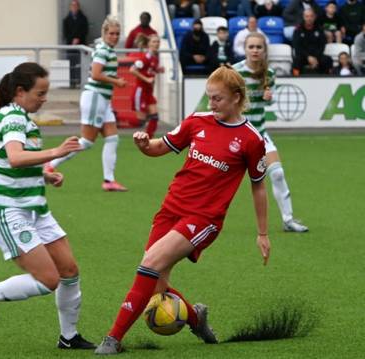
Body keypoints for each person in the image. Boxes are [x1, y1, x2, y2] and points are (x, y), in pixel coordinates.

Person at [94, 65, 271, 355]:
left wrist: (262, 233)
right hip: (171, 209)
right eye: (209, 98)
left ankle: (113, 339)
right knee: (156, 284)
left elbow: (258, 186)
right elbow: (158, 148)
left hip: (203, 219)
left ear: (237, 97)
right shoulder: (196, 122)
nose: (211, 104)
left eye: (218, 99)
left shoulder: (252, 139)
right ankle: (195, 317)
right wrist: (143, 145)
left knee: (149, 263)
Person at [0, 62, 95, 350]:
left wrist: (45, 175)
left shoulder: (21, 116)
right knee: (49, 279)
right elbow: (14, 156)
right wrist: (56, 152)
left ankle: (69, 337)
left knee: (69, 271)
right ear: (20, 92)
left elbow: (11, 164)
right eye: (40, 93)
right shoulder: (12, 115)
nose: (44, 98)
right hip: (9, 212)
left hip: (35, 210)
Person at [233, 32, 309, 232]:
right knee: (218, 178)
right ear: (245, 49)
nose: (255, 50)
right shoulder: (235, 72)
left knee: (277, 174)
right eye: (251, 47)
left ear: (264, 50)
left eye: (259, 47)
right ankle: (200, 217)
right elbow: (225, 101)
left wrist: (269, 98)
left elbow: (270, 100)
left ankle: (288, 220)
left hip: (260, 135)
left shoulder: (269, 73)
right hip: (237, 135)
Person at [46, 16, 128, 192]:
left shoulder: (108, 50)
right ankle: (50, 163)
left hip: (103, 100)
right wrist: (116, 81)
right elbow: (96, 74)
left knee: (113, 138)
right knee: (87, 141)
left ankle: (109, 180)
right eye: (112, 33)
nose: (115, 36)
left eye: (117, 34)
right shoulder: (103, 50)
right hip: (95, 97)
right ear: (105, 33)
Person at [129, 34, 165, 139]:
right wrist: (147, 79)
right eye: (153, 42)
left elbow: (149, 70)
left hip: (148, 92)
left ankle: (148, 138)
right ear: (148, 44)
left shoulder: (155, 58)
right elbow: (132, 69)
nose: (156, 44)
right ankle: (116, 121)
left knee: (154, 116)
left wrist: (158, 70)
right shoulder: (145, 57)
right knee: (140, 121)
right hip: (141, 91)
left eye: (158, 42)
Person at [292, 8, 333, 75]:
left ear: (314, 17)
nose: (309, 18)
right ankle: (295, 79)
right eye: (307, 16)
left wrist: (315, 57)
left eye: (311, 16)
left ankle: (328, 79)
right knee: (297, 61)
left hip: (317, 56)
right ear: (303, 17)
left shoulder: (320, 29)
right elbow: (297, 47)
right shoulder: (298, 30)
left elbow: (322, 46)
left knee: (327, 60)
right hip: (303, 56)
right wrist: (308, 57)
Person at [63, 0, 89, 88]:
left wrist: (78, 38)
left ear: (78, 7)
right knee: (71, 64)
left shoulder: (83, 18)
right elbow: (65, 33)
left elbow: (85, 31)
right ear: (70, 7)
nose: (74, 7)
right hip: (70, 46)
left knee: (81, 64)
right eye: (72, 5)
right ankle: (72, 82)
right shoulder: (66, 20)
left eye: (75, 5)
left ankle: (80, 81)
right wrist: (72, 40)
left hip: (81, 45)